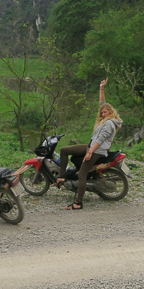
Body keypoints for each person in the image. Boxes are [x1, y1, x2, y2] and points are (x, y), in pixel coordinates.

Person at [56, 78, 123, 210]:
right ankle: (62, 177)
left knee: (82, 174)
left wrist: (90, 152)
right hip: (90, 145)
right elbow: (102, 103)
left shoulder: (110, 123)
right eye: (102, 112)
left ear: (111, 112)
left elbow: (101, 139)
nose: (103, 114)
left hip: (96, 150)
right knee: (64, 150)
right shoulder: (106, 119)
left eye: (106, 112)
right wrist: (102, 88)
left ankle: (78, 203)